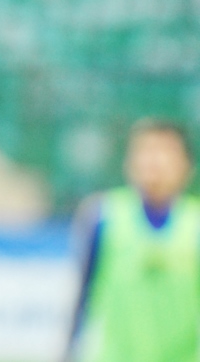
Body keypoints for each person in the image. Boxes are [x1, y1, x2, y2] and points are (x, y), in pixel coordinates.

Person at [67, 119, 200, 362]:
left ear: (186, 165)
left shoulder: (195, 224)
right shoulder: (103, 216)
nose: (153, 161)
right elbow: (82, 297)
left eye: (164, 151)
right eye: (145, 151)